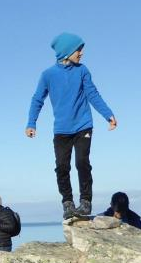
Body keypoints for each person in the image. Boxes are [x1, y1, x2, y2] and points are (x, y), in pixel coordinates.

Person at [26, 32, 117, 219]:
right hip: (61, 129)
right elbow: (37, 99)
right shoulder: (48, 75)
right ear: (66, 51)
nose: (81, 53)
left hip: (83, 125)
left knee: (82, 162)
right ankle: (67, 203)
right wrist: (31, 123)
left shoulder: (82, 71)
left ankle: (85, 202)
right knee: (61, 166)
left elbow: (93, 94)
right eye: (78, 50)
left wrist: (108, 114)